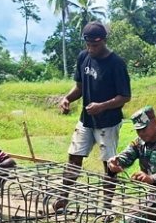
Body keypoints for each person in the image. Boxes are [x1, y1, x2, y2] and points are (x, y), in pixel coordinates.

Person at [52, 21, 131, 213]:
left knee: (109, 165)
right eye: (87, 45)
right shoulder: (83, 57)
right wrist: (67, 98)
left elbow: (125, 96)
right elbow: (79, 87)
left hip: (108, 122)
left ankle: (107, 207)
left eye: (94, 45)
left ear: (103, 41)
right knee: (74, 157)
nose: (91, 49)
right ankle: (63, 197)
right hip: (86, 120)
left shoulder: (116, 64)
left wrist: (102, 106)